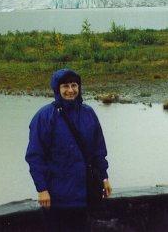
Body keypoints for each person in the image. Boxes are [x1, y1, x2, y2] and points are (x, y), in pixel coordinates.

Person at [25, 68, 112, 231]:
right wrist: (42, 188)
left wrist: (105, 178)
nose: (70, 90)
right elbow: (35, 156)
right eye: (65, 86)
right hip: (57, 197)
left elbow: (98, 150)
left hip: (85, 195)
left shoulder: (88, 113)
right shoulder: (44, 117)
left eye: (74, 85)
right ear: (57, 89)